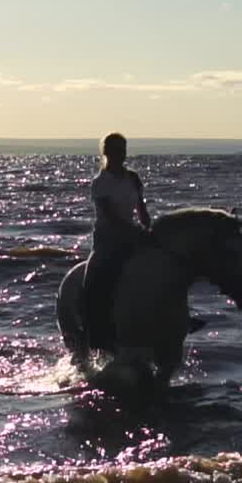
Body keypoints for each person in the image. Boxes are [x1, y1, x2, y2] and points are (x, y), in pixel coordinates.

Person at [82, 132, 151, 348]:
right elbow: (110, 216)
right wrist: (133, 231)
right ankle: (94, 329)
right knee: (97, 276)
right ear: (107, 153)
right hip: (107, 239)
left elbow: (142, 210)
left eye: (123, 149)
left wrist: (147, 227)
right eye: (116, 150)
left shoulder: (133, 178)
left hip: (132, 235)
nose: (121, 154)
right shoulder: (100, 183)